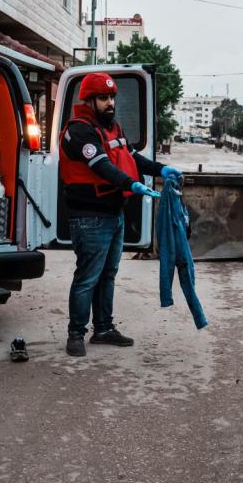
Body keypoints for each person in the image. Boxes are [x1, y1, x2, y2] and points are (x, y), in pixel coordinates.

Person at [59, 72, 182, 357]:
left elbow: (131, 157)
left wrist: (160, 169)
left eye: (112, 97)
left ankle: (103, 329)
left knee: (108, 275)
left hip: (114, 213)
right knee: (88, 277)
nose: (110, 102)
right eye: (103, 98)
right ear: (89, 101)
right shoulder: (79, 130)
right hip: (89, 216)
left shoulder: (113, 128)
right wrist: (131, 184)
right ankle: (76, 334)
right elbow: (101, 165)